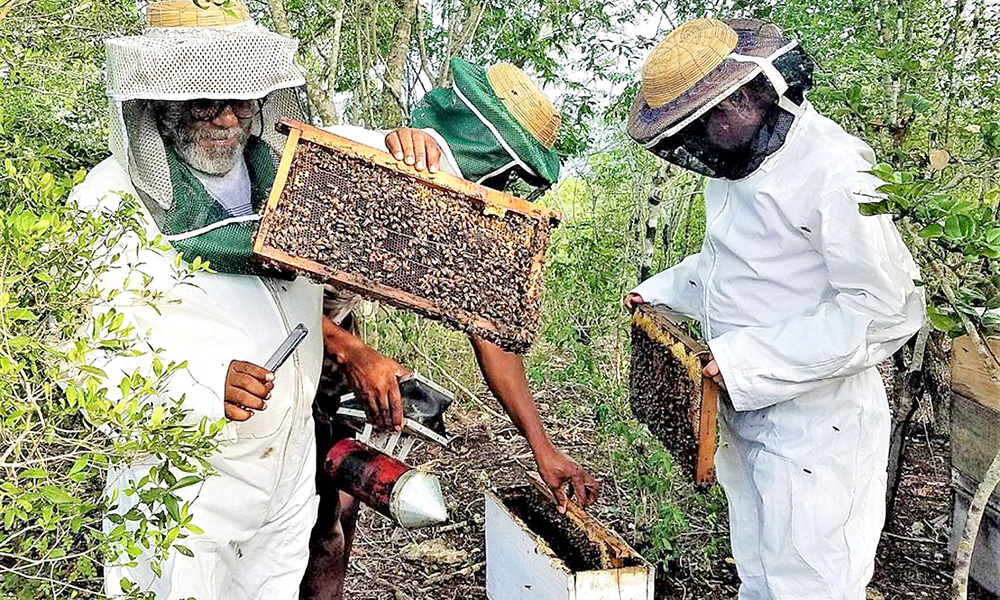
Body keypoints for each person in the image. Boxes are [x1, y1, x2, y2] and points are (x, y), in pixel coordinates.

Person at [74, 2, 439, 597]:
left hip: (288, 466)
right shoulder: (108, 200)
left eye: (240, 97)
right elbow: (86, 352)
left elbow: (421, 159)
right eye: (202, 99)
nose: (225, 117)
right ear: (158, 104)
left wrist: (415, 146)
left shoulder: (293, 170)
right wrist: (200, 385)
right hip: (183, 485)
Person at [624, 18, 924, 600]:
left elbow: (886, 309)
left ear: (755, 93)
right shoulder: (736, 168)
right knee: (759, 575)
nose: (711, 131)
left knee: (811, 586)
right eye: (698, 122)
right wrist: (659, 293)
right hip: (745, 414)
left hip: (817, 433)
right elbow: (729, 268)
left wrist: (748, 361)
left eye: (717, 114)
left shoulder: (838, 172)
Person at [303, 57, 600, 600]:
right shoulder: (351, 157)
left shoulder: (455, 210)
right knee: (283, 524)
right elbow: (251, 290)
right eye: (513, 178)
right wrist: (350, 351)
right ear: (495, 158)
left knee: (333, 520)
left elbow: (490, 332)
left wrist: (543, 447)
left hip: (324, 349)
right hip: (258, 349)